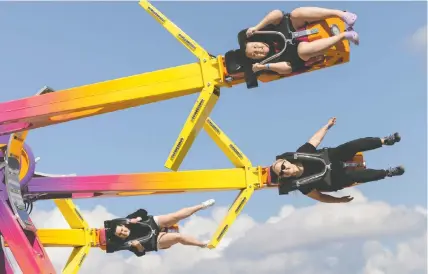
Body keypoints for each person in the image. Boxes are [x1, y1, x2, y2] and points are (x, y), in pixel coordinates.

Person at [269, 117, 405, 203]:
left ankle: (384, 141)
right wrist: (339, 200)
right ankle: (388, 173)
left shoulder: (301, 153)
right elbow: (321, 197)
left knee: (352, 146)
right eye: (282, 173)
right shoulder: (302, 186)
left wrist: (327, 126)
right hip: (334, 178)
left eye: (283, 166)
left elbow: (315, 139)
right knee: (356, 176)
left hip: (332, 157)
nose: (285, 170)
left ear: (287, 162)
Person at [243, 8, 360, 75]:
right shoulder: (269, 62)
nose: (258, 51)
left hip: (296, 27)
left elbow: (277, 13)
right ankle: (346, 35)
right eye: (255, 55)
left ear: (258, 42)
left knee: (295, 14)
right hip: (300, 52)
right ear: (257, 59)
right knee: (302, 51)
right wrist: (263, 67)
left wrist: (256, 27)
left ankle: (342, 14)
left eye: (255, 47)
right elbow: (287, 68)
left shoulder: (266, 32)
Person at [103, 199, 215, 257]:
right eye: (120, 234)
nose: (123, 232)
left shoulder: (128, 220)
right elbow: (140, 254)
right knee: (178, 237)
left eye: (122, 230)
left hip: (153, 224)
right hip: (155, 240)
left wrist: (137, 218)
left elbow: (143, 211)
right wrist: (139, 246)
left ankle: (202, 206)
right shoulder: (127, 243)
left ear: (123, 226)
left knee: (175, 216)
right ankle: (203, 244)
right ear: (119, 237)